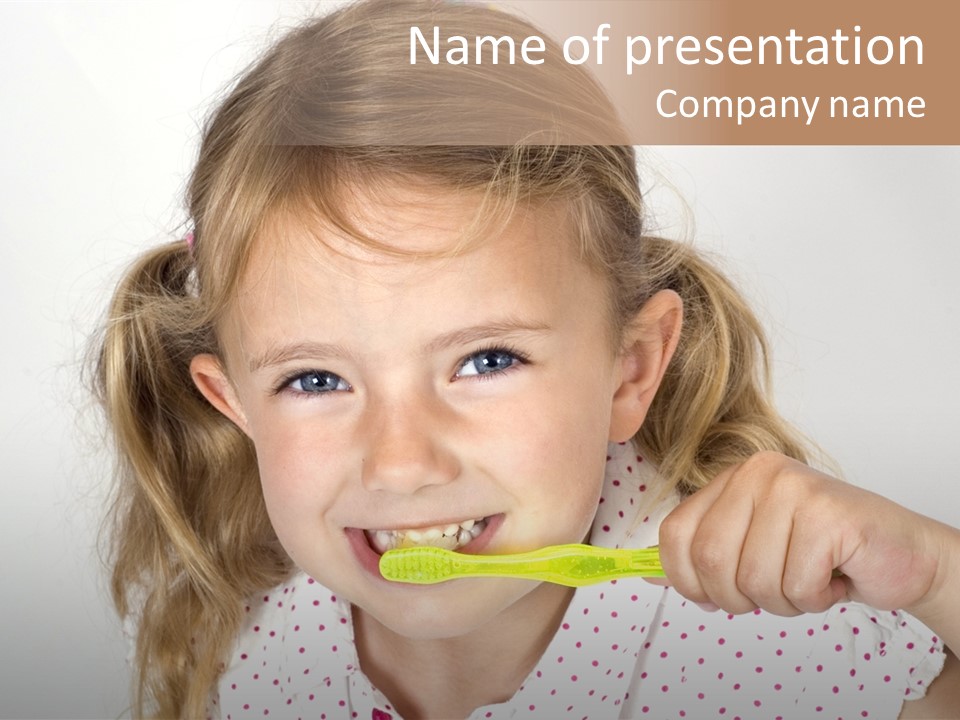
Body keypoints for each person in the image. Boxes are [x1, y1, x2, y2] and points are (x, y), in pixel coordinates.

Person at [91, 1, 959, 718]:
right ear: (232, 400)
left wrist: (935, 571)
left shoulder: (771, 650)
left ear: (631, 370)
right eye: (315, 380)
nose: (402, 462)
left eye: (487, 360)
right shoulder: (249, 649)